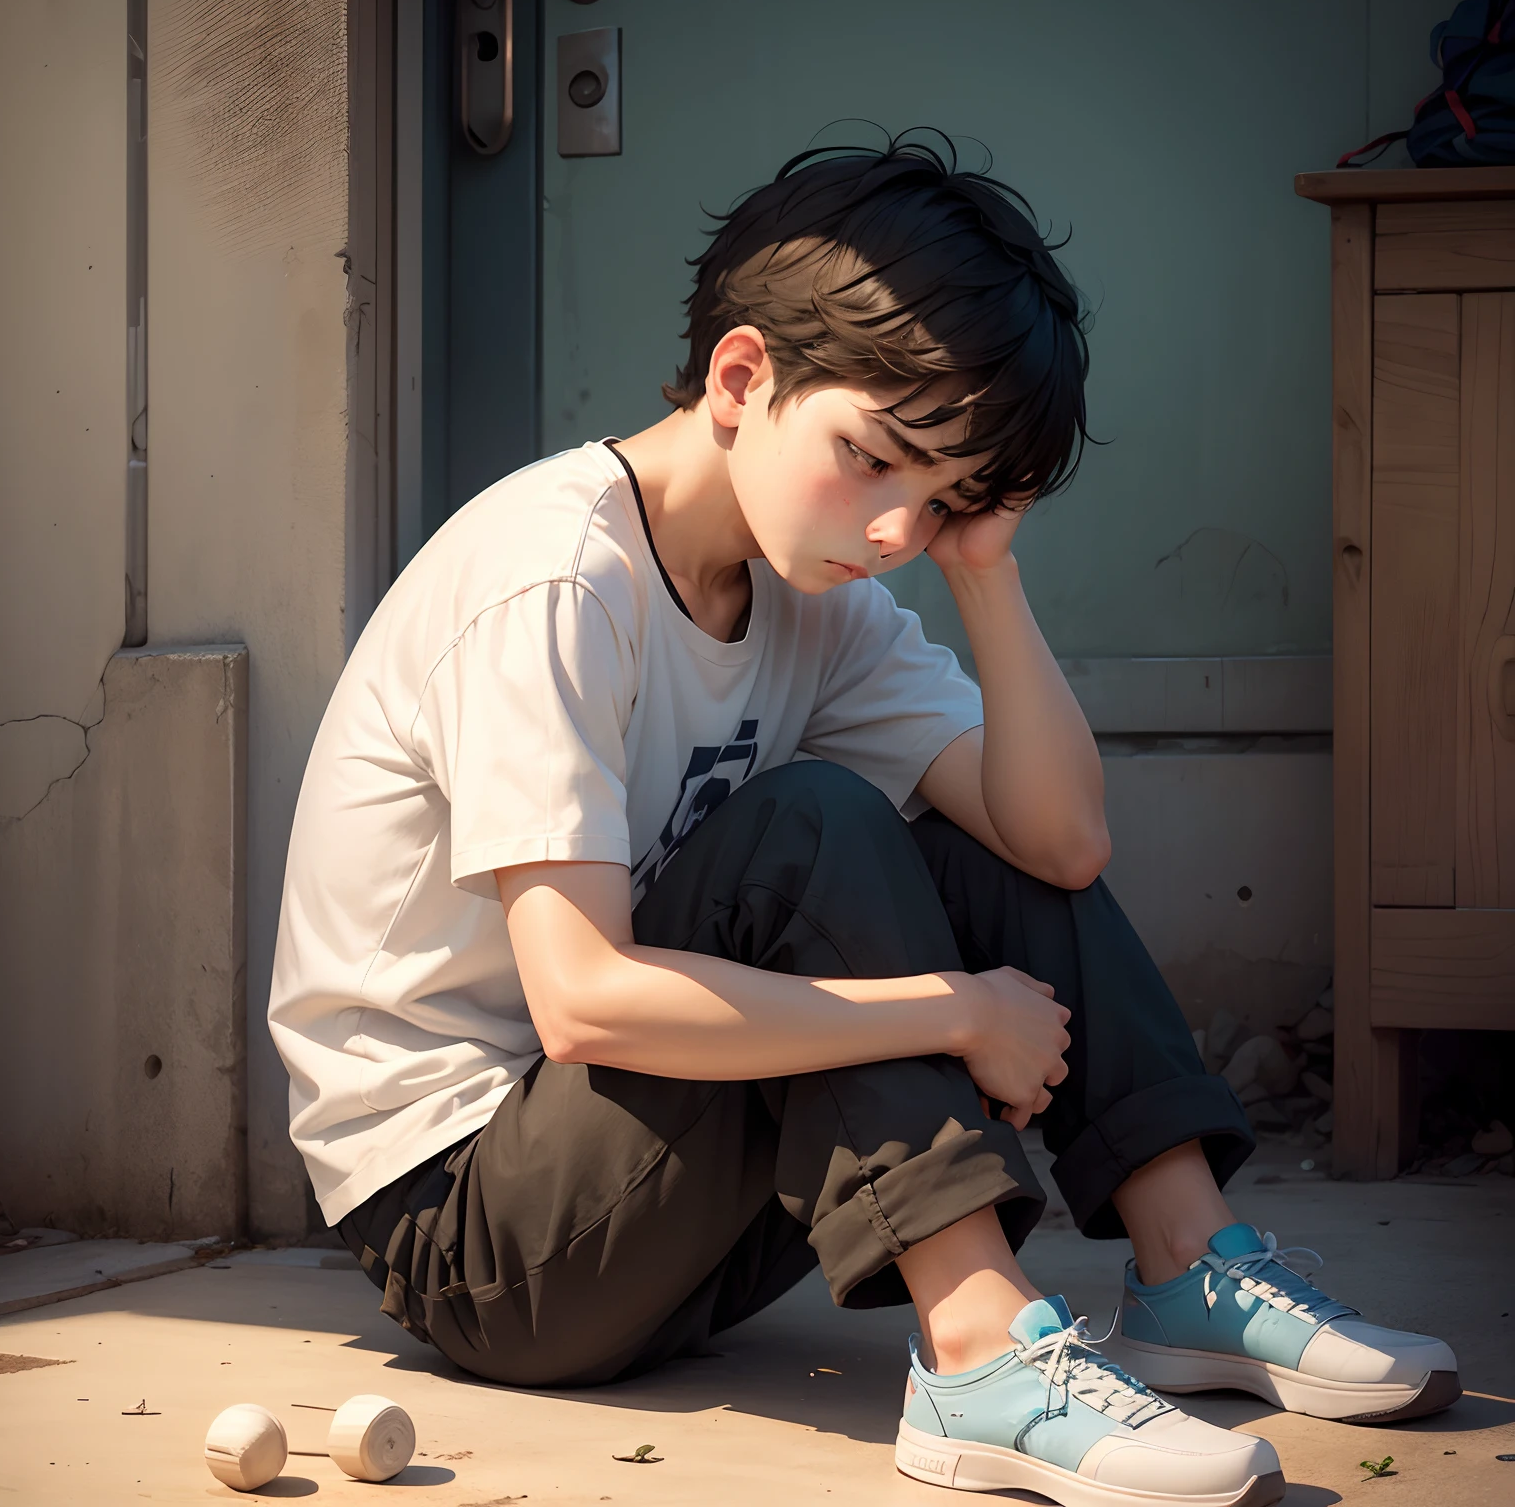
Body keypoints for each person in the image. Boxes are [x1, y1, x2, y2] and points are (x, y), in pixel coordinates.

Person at [269, 135, 1458, 1507]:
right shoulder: (556, 581)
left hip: (667, 1211)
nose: (896, 527)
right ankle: (979, 1354)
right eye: (873, 459)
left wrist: (987, 570)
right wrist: (947, 1014)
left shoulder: (823, 593)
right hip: (479, 1235)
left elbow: (1061, 841)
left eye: (939, 493)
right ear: (741, 376)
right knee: (815, 825)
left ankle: (1191, 1267)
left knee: (973, 835)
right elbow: (586, 998)